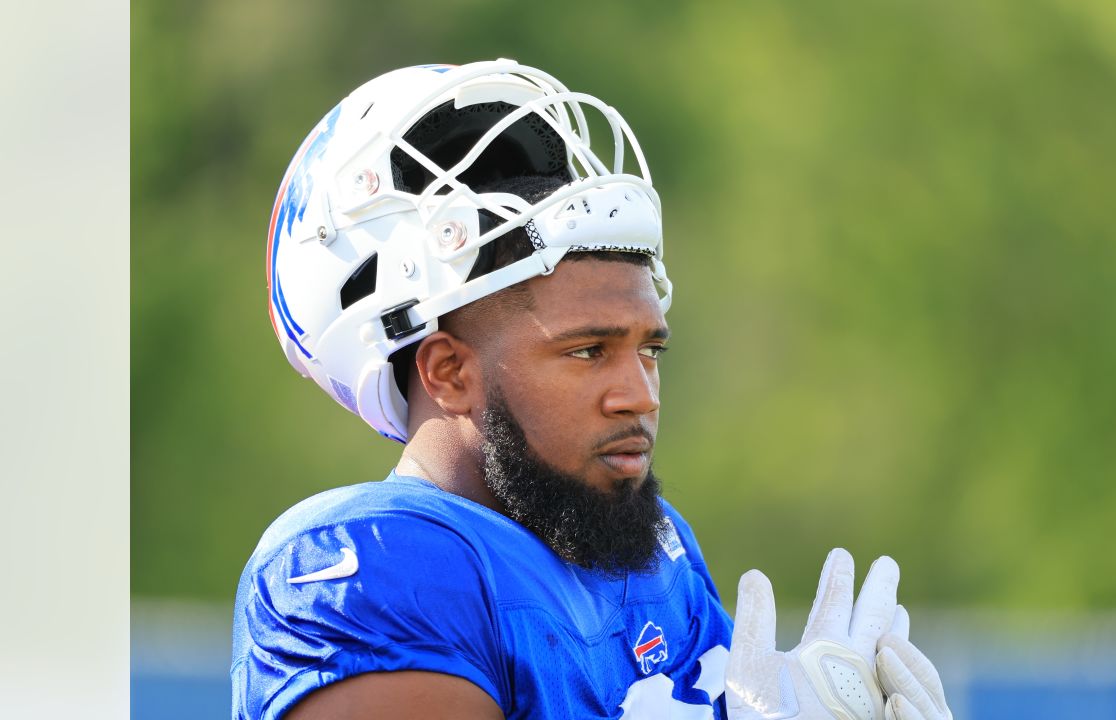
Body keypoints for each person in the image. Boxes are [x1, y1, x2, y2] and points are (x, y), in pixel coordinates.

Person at [232, 59, 953, 720]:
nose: (638, 394)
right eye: (587, 351)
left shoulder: (657, 557)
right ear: (448, 371)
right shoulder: (368, 562)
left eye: (649, 349)